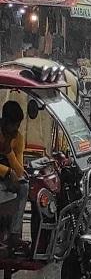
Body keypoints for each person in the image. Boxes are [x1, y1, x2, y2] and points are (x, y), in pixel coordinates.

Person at [0, 101, 28, 254]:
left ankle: (14, 233)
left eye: (18, 125)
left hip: (7, 178)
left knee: (24, 187)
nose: (16, 129)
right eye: (13, 125)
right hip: (4, 176)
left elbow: (19, 170)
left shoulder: (18, 138)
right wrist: (6, 172)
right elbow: (10, 172)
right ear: (4, 121)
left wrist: (9, 152)